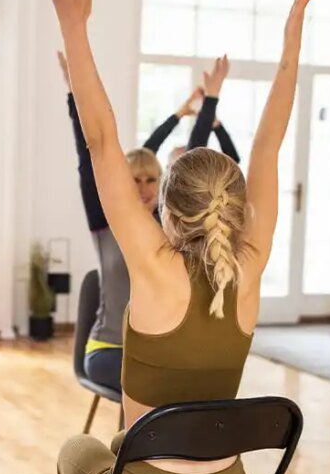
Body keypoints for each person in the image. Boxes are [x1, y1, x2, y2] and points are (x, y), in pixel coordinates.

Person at [50, 0, 311, 474]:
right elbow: (269, 145)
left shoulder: (154, 266)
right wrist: (290, 47)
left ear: (165, 209)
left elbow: (102, 139)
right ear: (236, 207)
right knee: (119, 448)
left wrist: (73, 26)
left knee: (74, 451)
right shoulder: (249, 266)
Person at [61, 52, 232, 393]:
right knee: (155, 386)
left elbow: (193, 158)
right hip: (109, 351)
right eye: (133, 180)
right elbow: (88, 156)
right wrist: (73, 93)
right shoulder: (105, 220)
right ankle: (134, 446)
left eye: (150, 181)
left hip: (158, 351)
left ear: (162, 183)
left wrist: (210, 99)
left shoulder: (170, 225)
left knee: (200, 384)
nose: (141, 188)